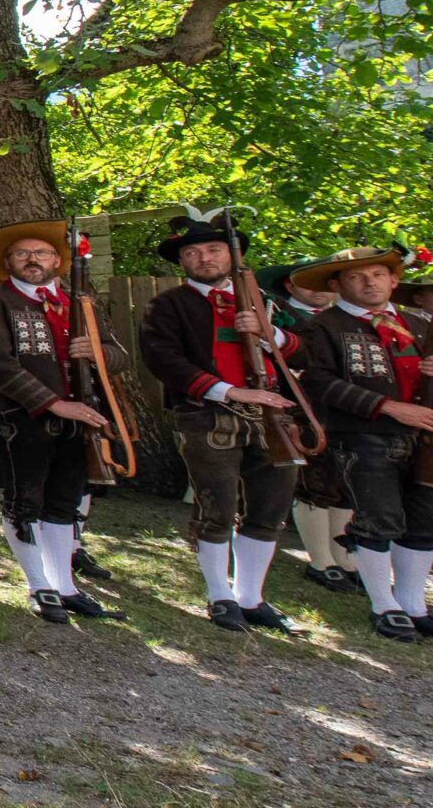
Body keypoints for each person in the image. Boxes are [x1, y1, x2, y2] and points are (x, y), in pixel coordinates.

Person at [136, 210, 303, 634]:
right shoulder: (169, 305)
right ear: (183, 262)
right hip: (207, 415)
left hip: (272, 416)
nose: (205, 259)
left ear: (232, 255)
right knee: (217, 509)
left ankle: (251, 597)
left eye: (213, 250)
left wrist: (270, 334)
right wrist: (227, 391)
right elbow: (163, 359)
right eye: (194, 253)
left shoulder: (264, 302)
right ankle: (219, 595)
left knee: (268, 510)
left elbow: (306, 352)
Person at [0, 219, 127, 625]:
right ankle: (39, 585)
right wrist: (52, 403)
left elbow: (119, 355)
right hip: (25, 419)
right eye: (22, 253)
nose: (32, 260)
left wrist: (99, 353)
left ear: (58, 259)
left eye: (41, 253)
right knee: (25, 502)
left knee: (64, 504)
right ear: (8, 262)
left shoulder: (81, 302)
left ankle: (66, 585)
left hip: (82, 416)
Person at [286, 246, 433, 640]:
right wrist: (388, 407)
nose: (369, 283)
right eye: (356, 277)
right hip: (362, 436)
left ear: (394, 280)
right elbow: (318, 382)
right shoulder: (322, 327)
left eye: (378, 275)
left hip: (424, 438)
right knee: (378, 518)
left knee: (423, 520)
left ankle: (412, 603)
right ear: (336, 285)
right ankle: (383, 604)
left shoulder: (418, 324)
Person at [260, 259, 361, 593]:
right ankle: (320, 560)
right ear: (290, 286)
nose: (317, 290)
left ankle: (343, 557)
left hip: (349, 409)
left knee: (346, 484)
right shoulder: (278, 316)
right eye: (308, 283)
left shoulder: (348, 319)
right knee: (314, 483)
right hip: (303, 407)